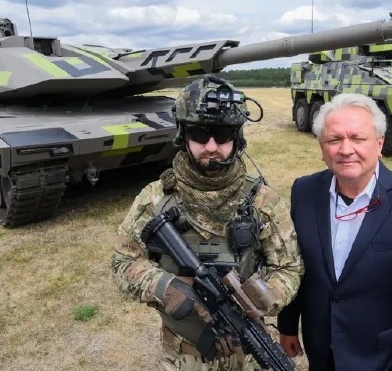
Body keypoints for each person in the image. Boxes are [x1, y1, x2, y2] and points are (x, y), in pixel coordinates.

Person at [112, 76, 304, 371]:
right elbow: (123, 262)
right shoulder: (156, 198)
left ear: (236, 137)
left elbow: (289, 267)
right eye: (200, 134)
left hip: (247, 354)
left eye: (222, 134)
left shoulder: (262, 201)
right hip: (182, 356)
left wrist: (260, 299)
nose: (211, 146)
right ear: (183, 135)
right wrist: (166, 286)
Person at [277, 93, 392, 370]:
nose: (346, 149)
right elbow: (297, 264)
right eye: (334, 139)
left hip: (384, 359)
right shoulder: (304, 191)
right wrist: (287, 325)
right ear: (322, 147)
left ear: (379, 143)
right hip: (321, 352)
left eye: (358, 138)